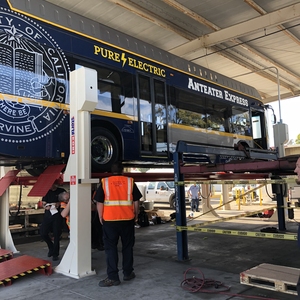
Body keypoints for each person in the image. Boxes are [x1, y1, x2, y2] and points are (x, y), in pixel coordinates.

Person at [94, 161, 142, 287]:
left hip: (109, 221)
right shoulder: (130, 182)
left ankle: (113, 277)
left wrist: (100, 216)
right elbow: (136, 200)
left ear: (111, 171)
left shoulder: (105, 182)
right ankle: (127, 273)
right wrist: (136, 214)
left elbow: (99, 202)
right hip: (127, 220)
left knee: (110, 249)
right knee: (127, 247)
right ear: (123, 170)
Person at [40, 184, 66, 261]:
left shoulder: (61, 191)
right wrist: (45, 206)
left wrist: (59, 203)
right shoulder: (47, 192)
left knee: (56, 235)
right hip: (48, 215)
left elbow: (66, 200)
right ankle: (51, 247)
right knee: (43, 233)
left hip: (58, 215)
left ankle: (55, 254)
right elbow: (43, 203)